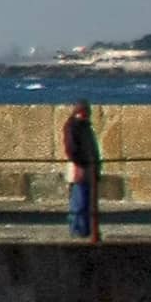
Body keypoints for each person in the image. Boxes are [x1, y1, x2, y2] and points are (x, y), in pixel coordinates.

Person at [62, 101, 102, 240]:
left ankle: (85, 229)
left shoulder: (83, 126)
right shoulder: (73, 126)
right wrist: (80, 163)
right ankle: (78, 229)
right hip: (81, 168)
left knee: (86, 200)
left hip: (87, 167)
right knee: (79, 200)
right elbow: (71, 148)